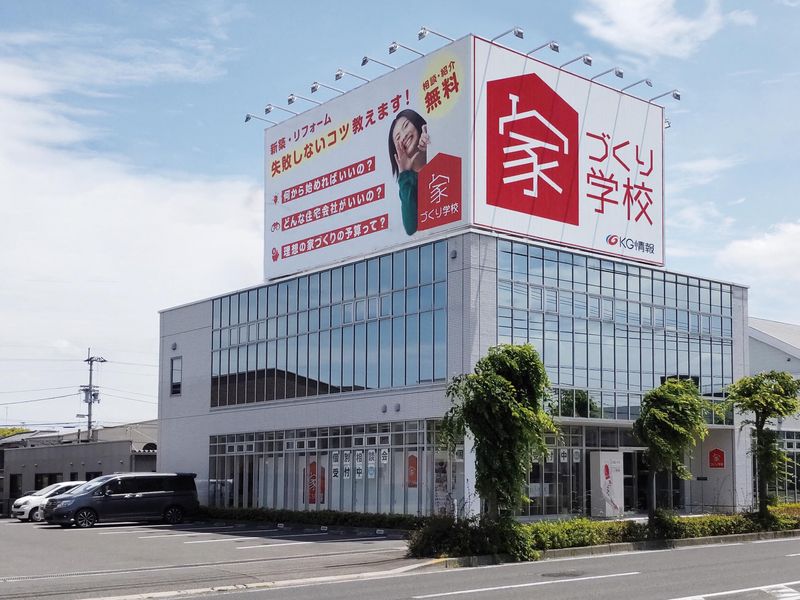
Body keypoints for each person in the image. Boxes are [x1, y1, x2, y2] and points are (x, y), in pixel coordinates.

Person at [388, 109, 430, 235]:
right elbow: (411, 228)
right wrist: (404, 174)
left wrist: (432, 145)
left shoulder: (435, 141)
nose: (404, 135)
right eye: (398, 137)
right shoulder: (409, 182)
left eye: (406, 126)